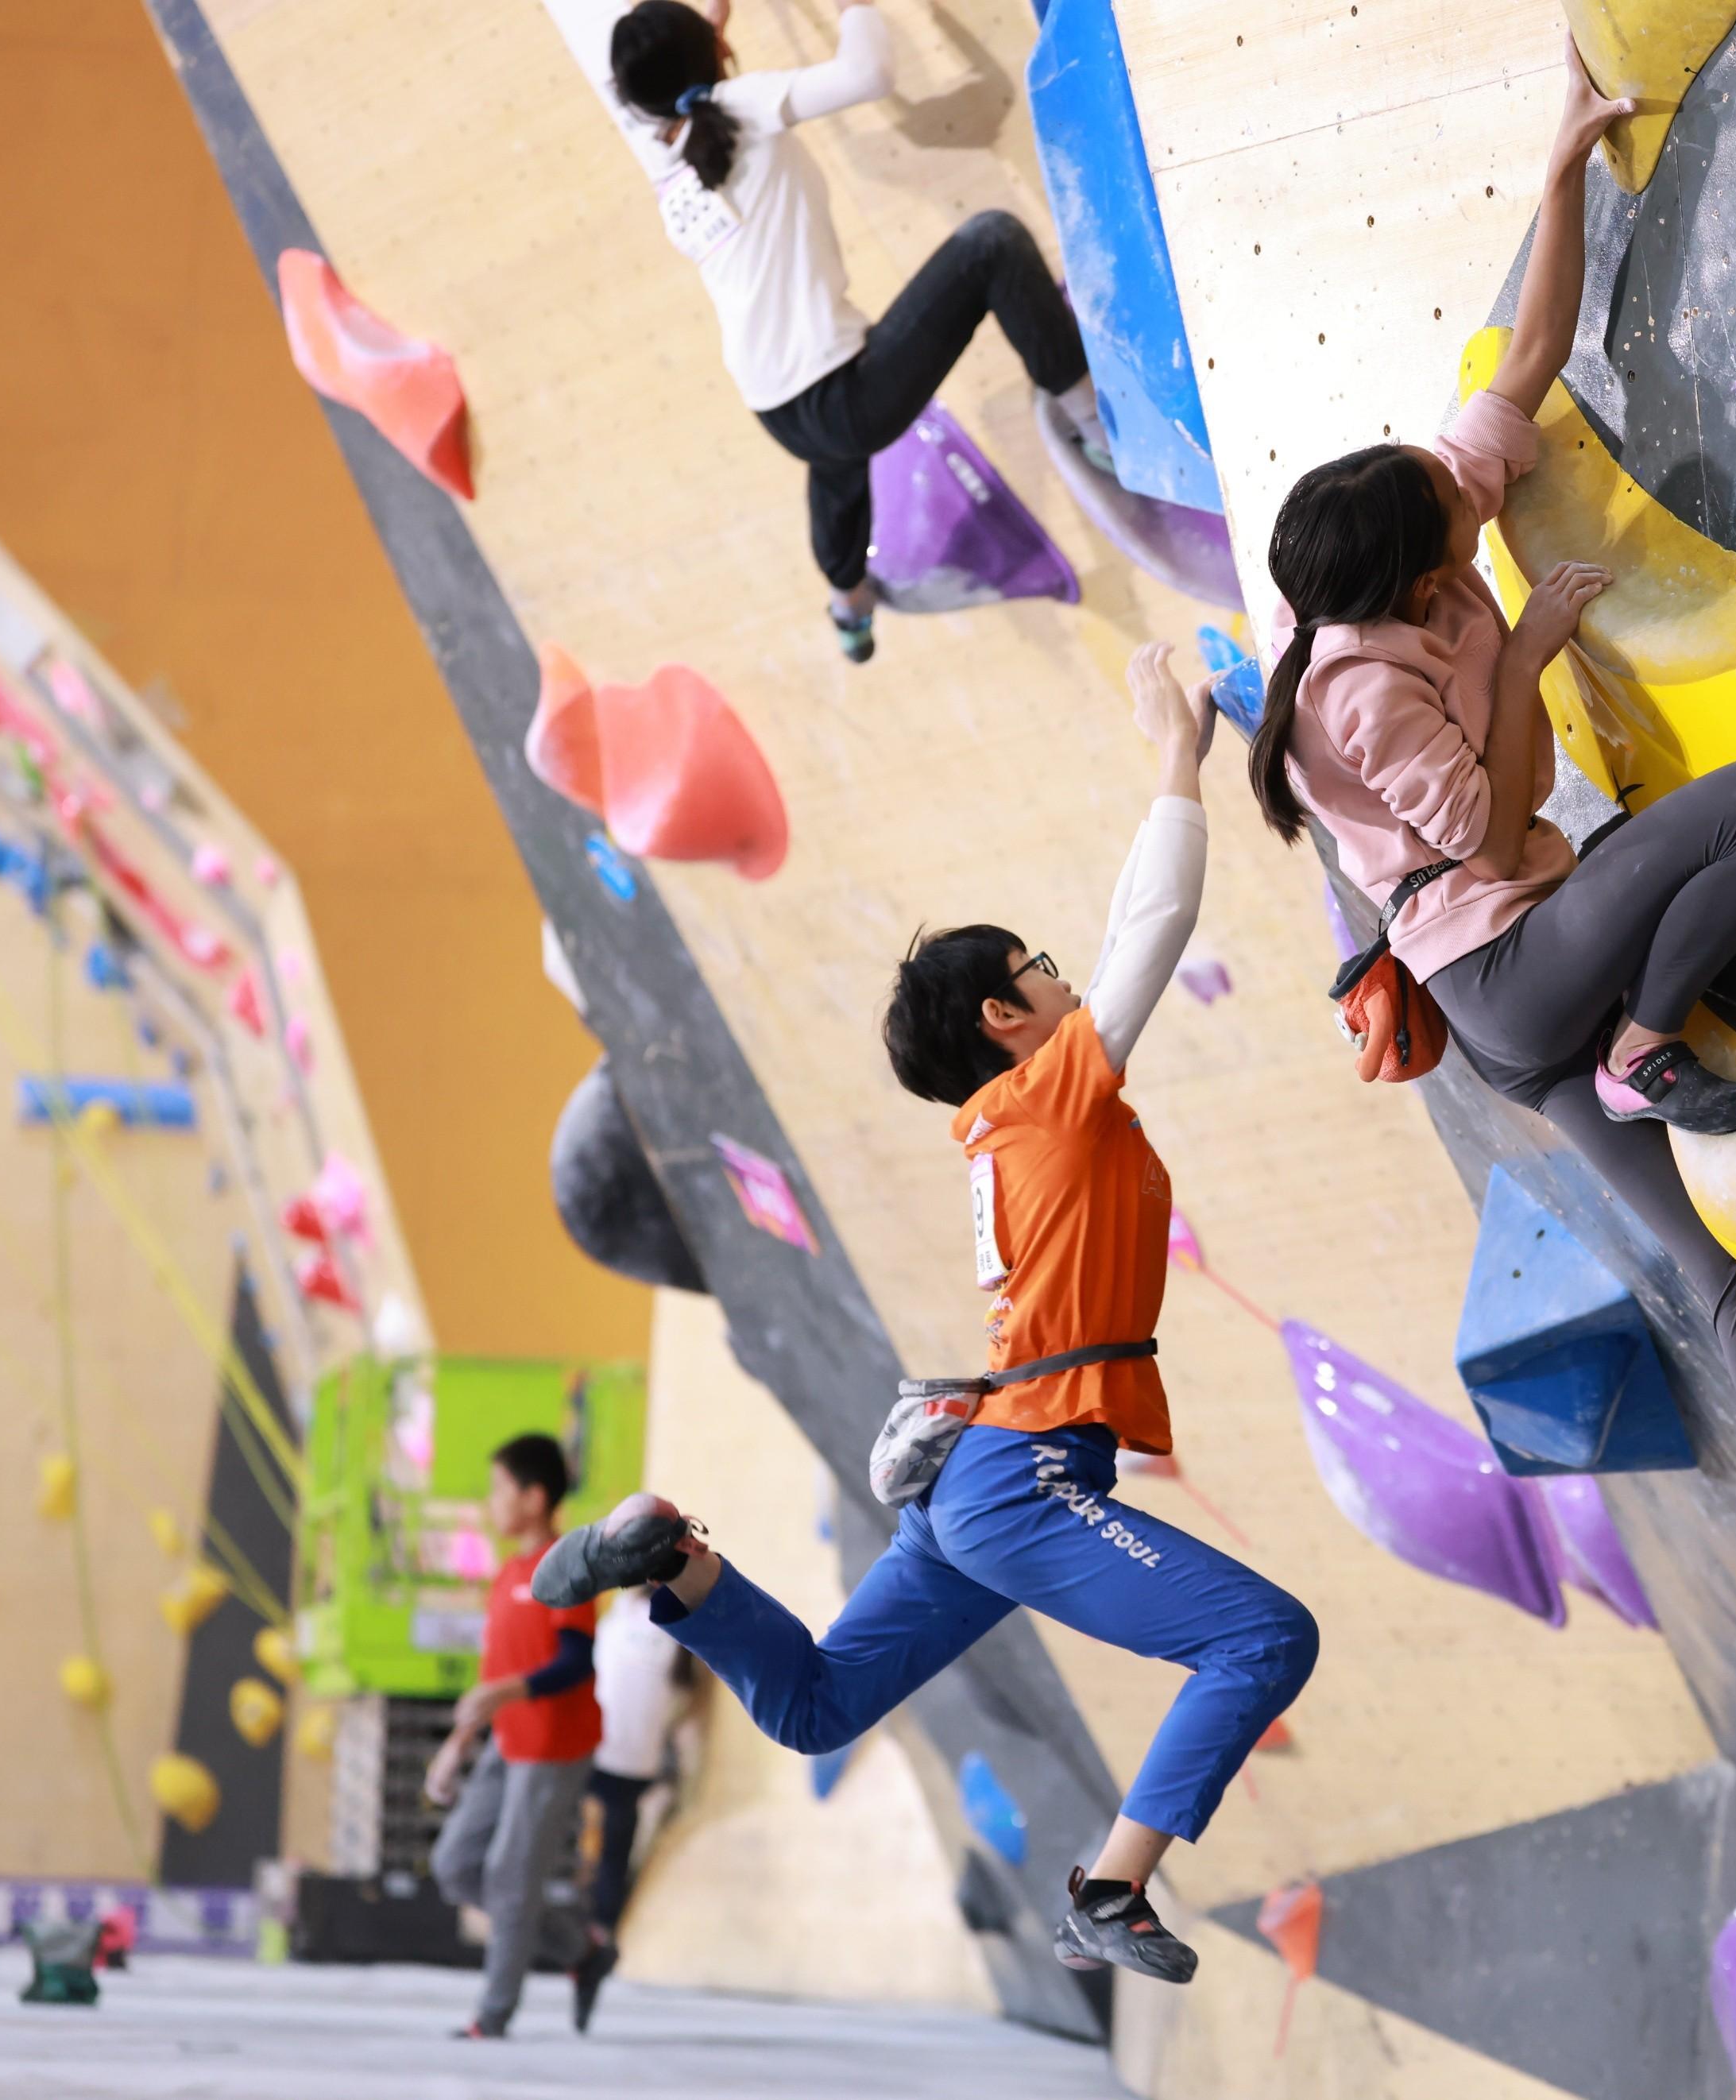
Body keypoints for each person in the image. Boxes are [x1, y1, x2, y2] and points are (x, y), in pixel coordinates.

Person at [1245, 40, 1736, 1633]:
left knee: (1723, 1270)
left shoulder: (1412, 548)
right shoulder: (1358, 694)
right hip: (1508, 974)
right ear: (1420, 577)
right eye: (1449, 508)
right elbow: (1488, 829)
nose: (1467, 483)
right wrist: (1526, 654)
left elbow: (1528, 356)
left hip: (1518, 984)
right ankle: (1643, 1043)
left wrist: (1558, 171)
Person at [535, 643, 1317, 1985]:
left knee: (815, 1704)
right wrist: (1174, 755)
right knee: (1263, 1635)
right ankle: (1109, 1886)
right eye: (1043, 970)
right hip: (1016, 1481)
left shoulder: (1009, 1124)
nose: (1071, 980)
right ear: (1009, 1016)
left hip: (985, 1481)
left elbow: (1126, 942)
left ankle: (669, 1556)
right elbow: (1153, 925)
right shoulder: (1048, 1100)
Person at [543, 0, 1115, 661]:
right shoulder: (740, 106)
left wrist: (708, 39)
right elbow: (867, 73)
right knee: (993, 242)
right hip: (844, 398)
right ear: (710, 58)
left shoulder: (667, 153)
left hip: (775, 408)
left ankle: (849, 602)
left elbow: (693, 94)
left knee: (837, 461)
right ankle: (1097, 429)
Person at [427, 1433, 601, 2040]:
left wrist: (506, 1693)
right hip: (507, 1741)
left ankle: (492, 2016)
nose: (491, 1500)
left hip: (554, 1746)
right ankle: (581, 1948)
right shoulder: (506, 1575)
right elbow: (492, 1674)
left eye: (499, 1488)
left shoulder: (567, 1565)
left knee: (509, 1877)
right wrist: (456, 1746)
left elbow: (576, 1661)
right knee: (454, 1864)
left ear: (534, 1496)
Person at [569, 1584, 698, 2029]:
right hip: (638, 1759)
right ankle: (602, 1929)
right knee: (614, 1854)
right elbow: (682, 1697)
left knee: (591, 1844)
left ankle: (590, 1932)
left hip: (596, 1747)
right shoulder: (680, 1625)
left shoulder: (624, 1613)